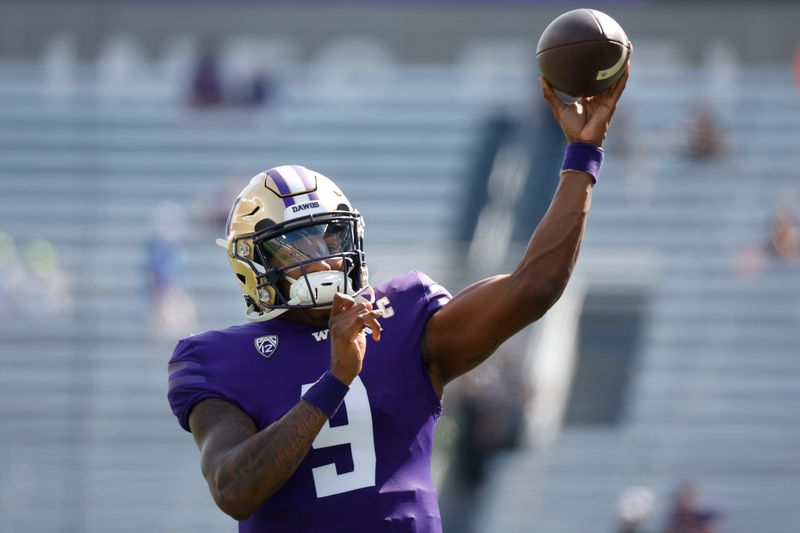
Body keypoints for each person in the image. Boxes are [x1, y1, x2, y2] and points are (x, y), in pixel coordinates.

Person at [167, 64, 630, 532]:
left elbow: (536, 285)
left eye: (330, 237)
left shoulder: (403, 313)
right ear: (255, 262)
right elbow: (234, 490)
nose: (323, 256)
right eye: (298, 244)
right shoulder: (215, 359)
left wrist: (584, 153)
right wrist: (337, 379)